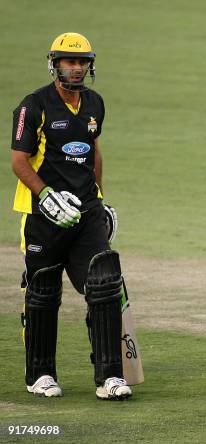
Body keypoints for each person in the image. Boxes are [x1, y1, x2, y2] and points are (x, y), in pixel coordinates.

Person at [10, 32, 131, 400]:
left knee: (105, 285)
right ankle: (40, 375)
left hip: (86, 213)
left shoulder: (94, 104)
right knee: (43, 291)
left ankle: (110, 377)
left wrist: (100, 198)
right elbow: (18, 162)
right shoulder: (34, 106)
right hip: (42, 214)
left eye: (82, 62)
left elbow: (94, 153)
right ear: (54, 64)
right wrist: (46, 196)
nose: (76, 68)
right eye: (68, 61)